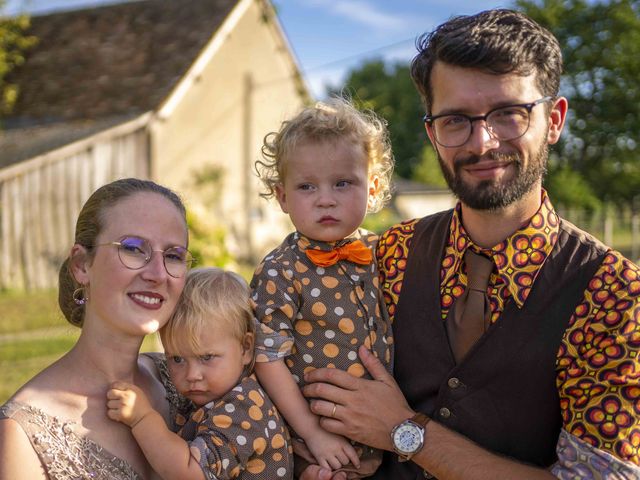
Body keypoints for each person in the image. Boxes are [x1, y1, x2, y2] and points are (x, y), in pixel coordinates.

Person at [299, 8, 640, 480]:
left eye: (508, 114)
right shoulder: (384, 256)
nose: (482, 142)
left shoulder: (614, 294)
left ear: (555, 120)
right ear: (432, 133)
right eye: (456, 120)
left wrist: (404, 431)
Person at [0, 178, 194, 479]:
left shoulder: (187, 381)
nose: (158, 274)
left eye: (173, 256)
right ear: (81, 265)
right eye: (133, 249)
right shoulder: (23, 434)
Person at [251, 97, 395, 477]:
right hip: (312, 439)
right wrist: (313, 435)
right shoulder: (281, 271)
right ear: (282, 197)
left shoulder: (384, 253)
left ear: (373, 186)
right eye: (306, 187)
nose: (326, 199)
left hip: (381, 433)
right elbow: (266, 358)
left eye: (343, 183)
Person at [106, 266, 294, 479]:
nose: (192, 375)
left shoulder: (243, 408)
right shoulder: (217, 397)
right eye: (177, 359)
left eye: (207, 357)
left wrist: (142, 418)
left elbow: (191, 472)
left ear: (246, 348)